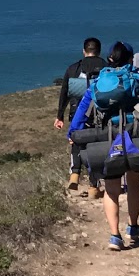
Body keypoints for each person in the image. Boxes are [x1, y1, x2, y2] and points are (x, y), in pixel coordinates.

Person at [68, 42, 139, 250]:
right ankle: (133, 227)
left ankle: (114, 236)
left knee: (111, 188)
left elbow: (83, 109)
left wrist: (73, 132)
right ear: (130, 58)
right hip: (136, 137)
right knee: (134, 183)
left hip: (107, 138)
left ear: (109, 59)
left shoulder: (99, 81)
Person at [54, 37, 106, 197]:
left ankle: (74, 174)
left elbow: (65, 93)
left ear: (84, 51)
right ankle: (93, 186)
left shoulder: (74, 68)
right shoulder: (107, 68)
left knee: (76, 141)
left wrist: (60, 116)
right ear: (99, 51)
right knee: (96, 147)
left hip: (77, 112)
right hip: (100, 113)